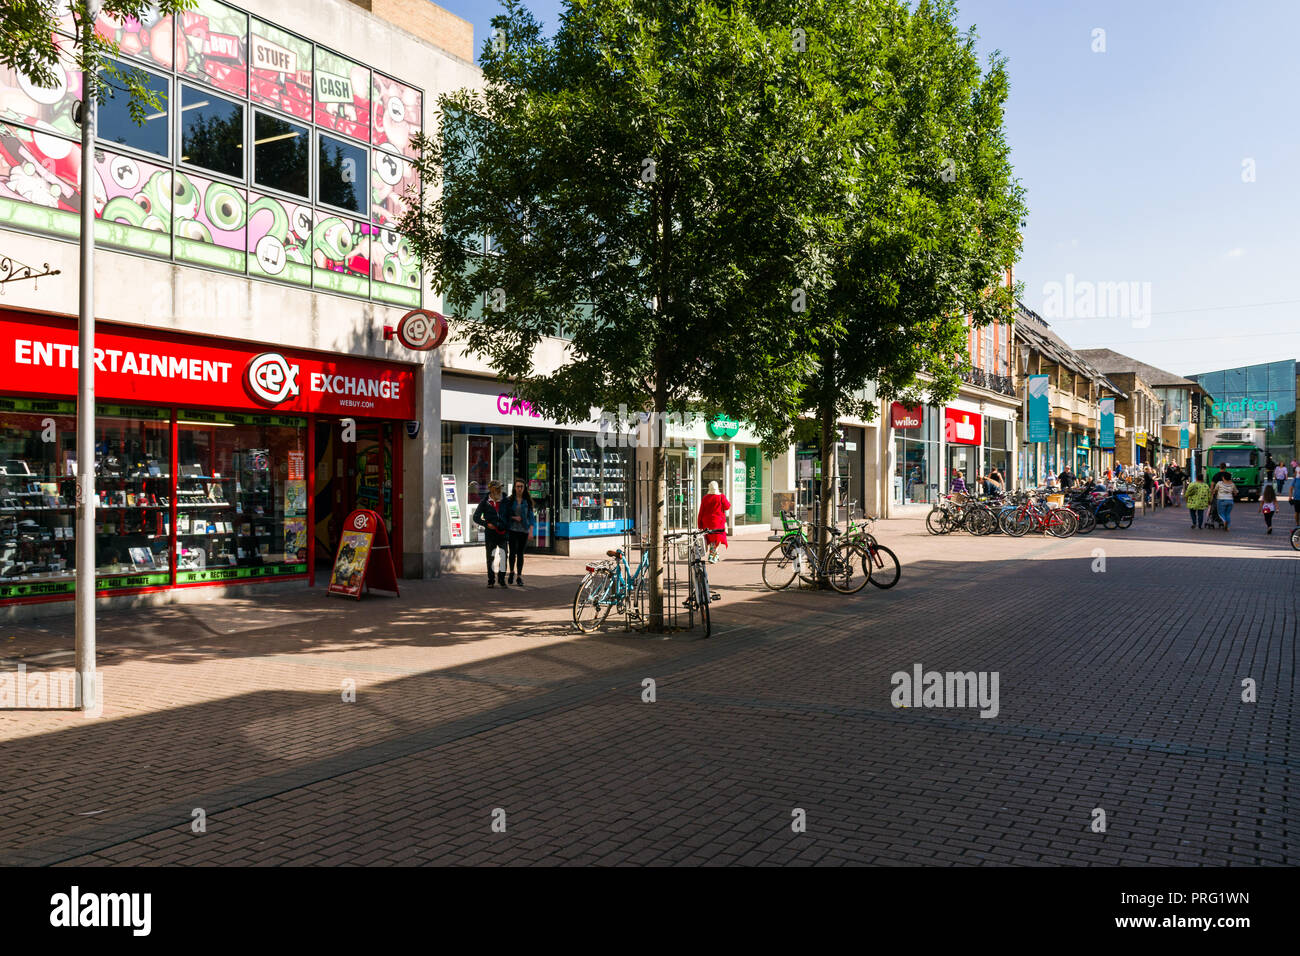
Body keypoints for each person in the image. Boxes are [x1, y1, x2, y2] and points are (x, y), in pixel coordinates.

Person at [472, 479, 509, 587]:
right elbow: (476, 517)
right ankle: (491, 580)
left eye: (500, 488)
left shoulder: (505, 501)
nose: (500, 490)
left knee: (504, 556)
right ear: (492, 489)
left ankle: (501, 579)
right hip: (490, 534)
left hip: (502, 533)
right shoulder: (485, 502)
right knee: (490, 558)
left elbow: (509, 516)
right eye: (497, 488)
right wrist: (486, 524)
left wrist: (506, 526)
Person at [502, 477, 536, 586]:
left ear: (524, 488)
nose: (519, 488)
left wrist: (531, 531)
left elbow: (531, 517)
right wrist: (513, 517)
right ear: (514, 487)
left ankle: (519, 576)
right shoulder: (510, 500)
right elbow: (505, 515)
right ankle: (511, 572)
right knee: (512, 553)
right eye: (517, 486)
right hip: (512, 529)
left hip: (524, 530)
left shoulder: (527, 501)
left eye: (521, 486)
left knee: (520, 553)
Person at [697, 480, 731, 563]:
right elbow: (727, 507)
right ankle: (713, 556)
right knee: (717, 538)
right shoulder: (721, 496)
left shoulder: (705, 497)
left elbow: (701, 511)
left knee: (711, 538)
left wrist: (700, 525)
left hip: (707, 521)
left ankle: (715, 554)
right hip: (718, 522)